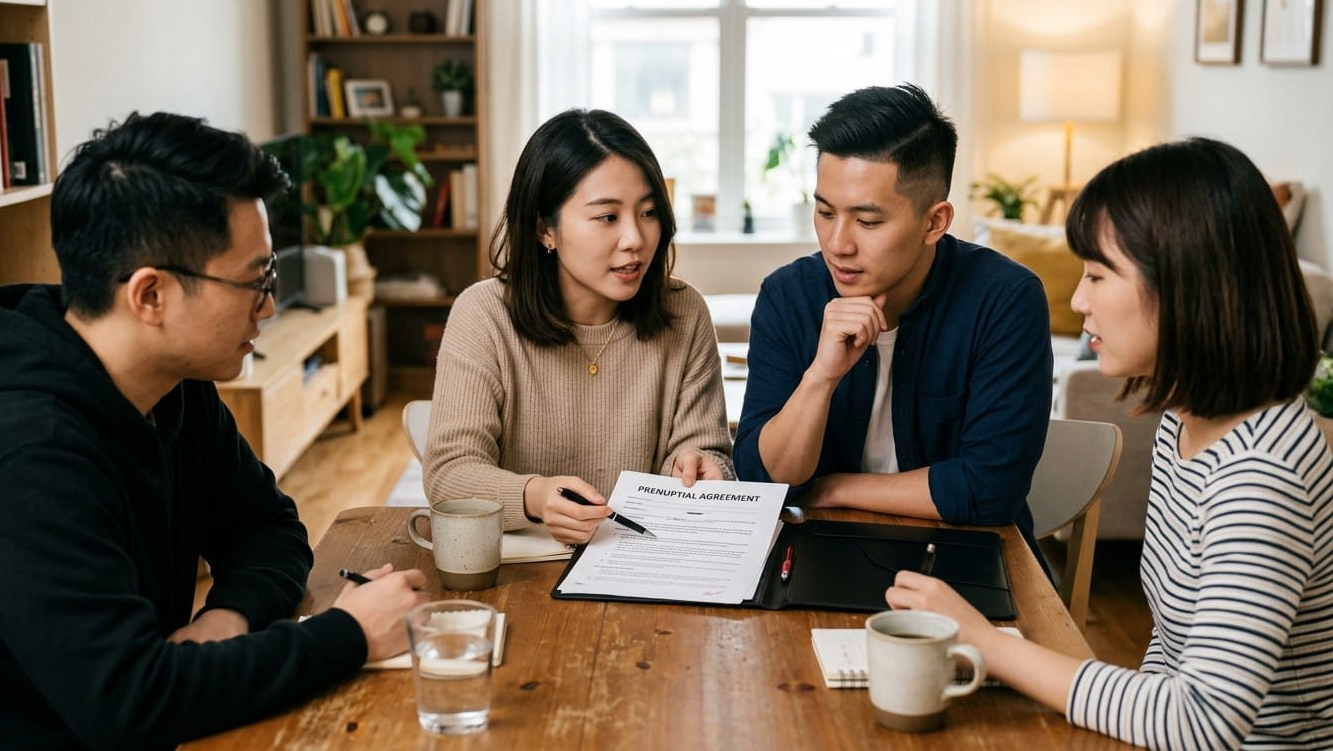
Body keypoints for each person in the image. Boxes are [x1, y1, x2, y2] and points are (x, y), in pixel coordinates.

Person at [0, 112, 426, 750]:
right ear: (150, 295)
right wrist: (348, 634)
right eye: (255, 280)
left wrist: (225, 618)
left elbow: (268, 527)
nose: (267, 305)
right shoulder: (26, 456)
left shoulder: (174, 386)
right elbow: (130, 702)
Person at [889, 137, 1333, 749]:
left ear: (1185, 286)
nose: (1078, 301)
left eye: (1098, 274)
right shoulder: (1187, 424)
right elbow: (1172, 656)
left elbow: (1201, 719)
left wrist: (985, 641)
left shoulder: (1261, 474)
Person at [733, 84, 1053, 548]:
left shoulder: (1004, 299)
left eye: (867, 222)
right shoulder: (789, 296)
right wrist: (821, 376)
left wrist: (835, 487)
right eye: (825, 212)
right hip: (814, 547)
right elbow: (763, 481)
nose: (838, 244)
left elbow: (989, 491)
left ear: (934, 222)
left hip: (962, 550)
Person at [423, 108, 734, 545]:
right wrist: (534, 495)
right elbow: (449, 473)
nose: (635, 239)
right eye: (607, 217)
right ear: (544, 229)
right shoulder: (484, 315)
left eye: (648, 212)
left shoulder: (684, 313)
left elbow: (706, 451)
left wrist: (698, 466)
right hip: (525, 567)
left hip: (643, 560)